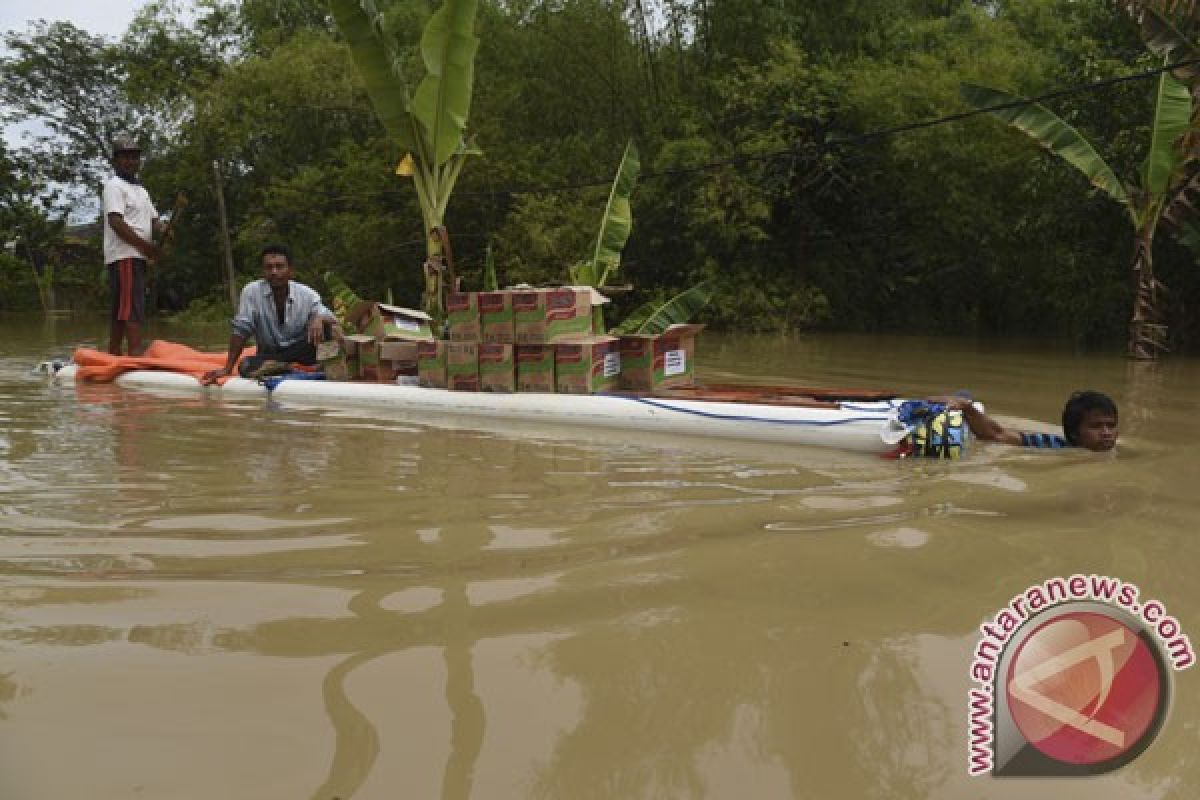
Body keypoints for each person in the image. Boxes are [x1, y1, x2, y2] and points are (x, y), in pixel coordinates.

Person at [202, 245, 339, 384]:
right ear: (263, 271)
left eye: (279, 267)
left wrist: (319, 318)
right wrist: (227, 368)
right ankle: (290, 368)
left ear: (290, 270)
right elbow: (241, 331)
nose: (274, 272)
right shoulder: (251, 292)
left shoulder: (307, 294)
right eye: (269, 267)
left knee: (328, 328)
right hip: (270, 357)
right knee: (245, 366)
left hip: (302, 352)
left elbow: (334, 320)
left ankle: (324, 369)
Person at [102, 134, 164, 355]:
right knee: (131, 306)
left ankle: (114, 352)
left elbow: (154, 220)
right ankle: (135, 352)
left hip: (136, 255)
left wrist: (164, 229)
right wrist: (146, 247)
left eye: (135, 157)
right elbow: (115, 221)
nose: (131, 161)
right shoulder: (114, 186)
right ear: (116, 161)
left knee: (124, 305)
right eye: (126, 157)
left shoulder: (141, 191)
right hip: (124, 254)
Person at [941, 390, 1118, 452]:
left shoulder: (1121, 452)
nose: (1106, 432)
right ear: (1074, 433)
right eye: (1096, 426)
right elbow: (997, 435)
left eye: (1111, 425)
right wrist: (967, 408)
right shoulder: (1051, 445)